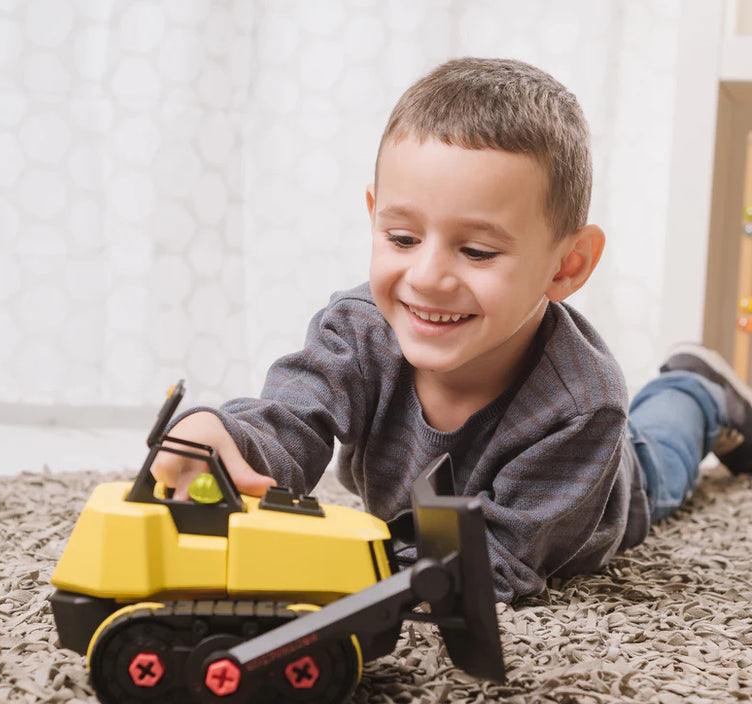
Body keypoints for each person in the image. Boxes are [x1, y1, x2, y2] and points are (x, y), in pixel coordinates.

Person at [153, 57, 752, 604]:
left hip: (598, 497)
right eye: (403, 239)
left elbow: (493, 563)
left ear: (565, 266)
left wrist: (348, 575)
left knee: (662, 459)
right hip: (426, 519)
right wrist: (225, 437)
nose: (428, 276)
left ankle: (695, 390)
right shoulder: (357, 332)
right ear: (373, 218)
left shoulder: (582, 406)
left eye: (477, 250)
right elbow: (290, 419)